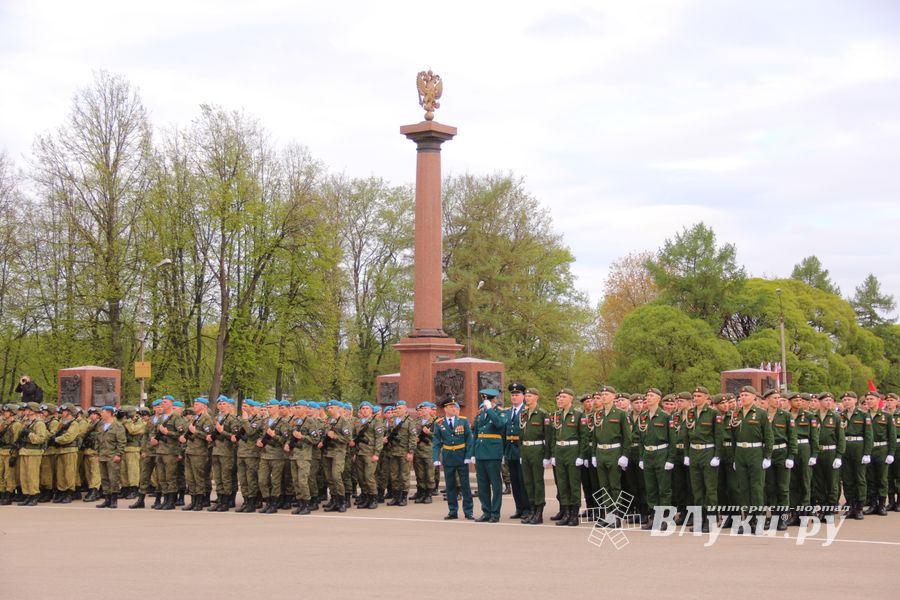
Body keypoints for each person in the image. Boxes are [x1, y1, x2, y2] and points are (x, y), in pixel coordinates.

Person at [731, 386, 774, 533]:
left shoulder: (761, 413)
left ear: (754, 397)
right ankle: (747, 520)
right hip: (740, 452)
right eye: (741, 395)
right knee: (743, 488)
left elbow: (768, 436)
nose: (743, 397)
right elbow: (733, 437)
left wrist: (767, 456)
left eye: (746, 395)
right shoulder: (736, 414)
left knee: (756, 488)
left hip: (755, 451)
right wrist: (734, 457)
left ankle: (758, 520)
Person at [589, 385, 631, 527]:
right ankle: (608, 516)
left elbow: (627, 437)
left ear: (614, 396)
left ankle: (616, 517)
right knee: (604, 486)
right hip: (601, 452)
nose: (604, 396)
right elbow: (594, 437)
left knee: (614, 486)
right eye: (602, 394)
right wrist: (594, 454)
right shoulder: (597, 414)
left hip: (614, 452)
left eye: (607, 394)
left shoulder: (620, 414)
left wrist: (624, 455)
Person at [551, 388, 589, 527]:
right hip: (559, 451)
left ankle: (574, 514)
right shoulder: (555, 415)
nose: (560, 399)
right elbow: (553, 436)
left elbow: (584, 437)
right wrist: (553, 454)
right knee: (562, 484)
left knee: (573, 484)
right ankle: (566, 512)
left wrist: (581, 455)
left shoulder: (579, 415)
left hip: (572, 450)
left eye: (563, 397)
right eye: (559, 397)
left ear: (571, 398)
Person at [432, 397, 474, 520]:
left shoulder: (463, 421)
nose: (454, 408)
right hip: (448, 456)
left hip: (461, 456)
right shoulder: (439, 423)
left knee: (465, 485)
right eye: (451, 407)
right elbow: (436, 442)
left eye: (455, 406)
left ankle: (468, 511)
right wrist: (435, 458)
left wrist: (468, 456)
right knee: (450, 486)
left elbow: (469, 439)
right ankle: (452, 511)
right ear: (445, 409)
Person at [638, 388, 675, 530]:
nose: (648, 398)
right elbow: (641, 439)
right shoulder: (643, 416)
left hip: (661, 453)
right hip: (648, 454)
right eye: (647, 395)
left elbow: (672, 439)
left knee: (664, 489)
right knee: (651, 488)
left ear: (658, 399)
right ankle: (653, 517)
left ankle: (665, 518)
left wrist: (670, 459)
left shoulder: (665, 416)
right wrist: (641, 457)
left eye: (651, 395)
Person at [762, 389, 797, 531]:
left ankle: (783, 517)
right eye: (774, 398)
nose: (778, 400)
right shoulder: (762, 415)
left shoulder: (786, 416)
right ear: (767, 400)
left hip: (782, 452)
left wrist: (791, 456)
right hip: (767, 454)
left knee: (783, 488)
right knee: (770, 488)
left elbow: (792, 437)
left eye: (779, 398)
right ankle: (773, 516)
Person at [472, 388, 509, 522]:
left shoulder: (500, 412)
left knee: (496, 485)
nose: (484, 401)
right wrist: (473, 453)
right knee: (482, 486)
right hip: (480, 452)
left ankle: (495, 513)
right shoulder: (482, 413)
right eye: (484, 399)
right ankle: (486, 512)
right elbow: (476, 433)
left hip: (493, 453)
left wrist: (490, 410)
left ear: (493, 400)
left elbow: (499, 424)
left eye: (487, 399)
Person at [840, 391, 872, 520]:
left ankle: (859, 507)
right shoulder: (840, 415)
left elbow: (869, 435)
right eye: (844, 400)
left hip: (859, 447)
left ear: (855, 400)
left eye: (849, 399)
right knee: (847, 479)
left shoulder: (863, 415)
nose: (846, 401)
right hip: (845, 447)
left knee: (860, 478)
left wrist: (867, 453)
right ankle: (850, 506)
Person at [863, 391, 895, 516]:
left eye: (871, 398)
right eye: (867, 399)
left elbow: (892, 436)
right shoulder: (864, 415)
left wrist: (891, 453)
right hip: (868, 449)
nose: (868, 401)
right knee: (870, 478)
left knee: (882, 478)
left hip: (882, 449)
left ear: (878, 400)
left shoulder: (886, 416)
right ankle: (873, 504)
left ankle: (881, 505)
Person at [209, 395, 242, 512]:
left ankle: (226, 502)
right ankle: (220, 500)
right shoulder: (216, 418)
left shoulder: (232, 419)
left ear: (229, 405)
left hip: (227, 452)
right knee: (218, 479)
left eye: (224, 404)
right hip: (216, 451)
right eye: (220, 404)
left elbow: (235, 437)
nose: (222, 406)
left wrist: (222, 432)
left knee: (226, 478)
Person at [349, 401, 383, 510]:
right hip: (359, 453)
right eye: (363, 408)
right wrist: (354, 450)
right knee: (361, 478)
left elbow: (379, 439)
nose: (364, 410)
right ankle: (366, 497)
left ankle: (373, 498)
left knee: (369, 477)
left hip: (370, 453)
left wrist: (376, 454)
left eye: (367, 408)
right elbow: (354, 437)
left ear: (371, 410)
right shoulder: (358, 422)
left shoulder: (376, 422)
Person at [383, 401, 417, 507]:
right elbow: (388, 433)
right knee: (394, 475)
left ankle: (403, 497)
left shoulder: (410, 421)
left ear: (405, 409)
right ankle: (396, 497)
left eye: (400, 408)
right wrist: (386, 438)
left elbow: (413, 437)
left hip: (404, 452)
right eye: (396, 409)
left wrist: (410, 452)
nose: (397, 410)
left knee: (404, 475)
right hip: (393, 452)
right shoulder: (392, 420)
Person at [504, 383, 530, 520]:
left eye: (517, 394)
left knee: (523, 481)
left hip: (522, 450)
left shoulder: (527, 411)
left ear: (523, 396)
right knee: (514, 481)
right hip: (510, 450)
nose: (514, 397)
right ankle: (519, 508)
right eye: (512, 395)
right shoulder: (507, 412)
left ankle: (527, 508)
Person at [50, 403, 84, 504]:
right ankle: (62, 491)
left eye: (65, 411)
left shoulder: (74, 423)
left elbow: (69, 437)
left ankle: (69, 492)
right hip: (60, 450)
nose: (62, 413)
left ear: (69, 412)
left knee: (69, 473)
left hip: (70, 450)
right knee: (60, 473)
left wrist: (56, 440)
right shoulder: (62, 422)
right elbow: (56, 432)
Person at [95, 406, 126, 508]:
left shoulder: (117, 426)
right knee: (104, 478)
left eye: (103, 412)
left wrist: (118, 454)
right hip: (102, 455)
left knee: (114, 478)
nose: (101, 414)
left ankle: (114, 500)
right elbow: (98, 440)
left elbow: (121, 442)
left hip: (112, 456)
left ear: (109, 413)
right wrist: (97, 454)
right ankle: (107, 499)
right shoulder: (101, 425)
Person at [413, 402, 436, 504]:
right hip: (418, 451)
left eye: (426, 408)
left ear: (430, 410)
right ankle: (421, 493)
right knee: (420, 474)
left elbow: (439, 437)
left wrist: (428, 433)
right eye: (422, 409)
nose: (423, 410)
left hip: (429, 452)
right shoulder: (416, 422)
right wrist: (415, 439)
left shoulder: (435, 422)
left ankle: (429, 494)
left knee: (429, 474)